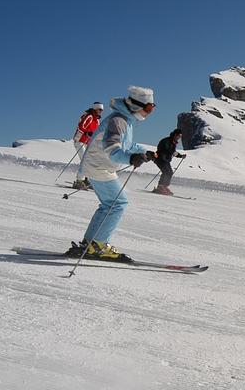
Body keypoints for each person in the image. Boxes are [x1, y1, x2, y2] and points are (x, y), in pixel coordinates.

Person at [66, 86, 156, 261]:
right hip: (99, 166)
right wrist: (131, 159)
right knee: (118, 203)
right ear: (136, 105)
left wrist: (145, 153)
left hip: (100, 166)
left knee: (109, 204)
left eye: (153, 108)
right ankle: (98, 245)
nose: (149, 113)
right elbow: (112, 149)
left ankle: (91, 243)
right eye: (148, 108)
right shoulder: (118, 120)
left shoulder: (126, 120)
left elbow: (128, 145)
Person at [71, 101, 104, 189]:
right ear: (95, 108)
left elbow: (97, 132)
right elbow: (81, 126)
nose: (101, 111)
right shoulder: (89, 116)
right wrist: (87, 133)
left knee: (91, 161)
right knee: (85, 160)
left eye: (102, 110)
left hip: (88, 143)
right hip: (80, 141)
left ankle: (87, 179)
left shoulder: (97, 120)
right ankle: (79, 181)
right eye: (99, 109)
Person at [151, 128, 187, 195]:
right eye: (179, 136)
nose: (179, 138)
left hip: (165, 160)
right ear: (175, 135)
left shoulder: (173, 142)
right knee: (166, 171)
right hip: (160, 159)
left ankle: (164, 186)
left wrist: (180, 156)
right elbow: (166, 149)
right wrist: (173, 152)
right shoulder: (166, 141)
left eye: (180, 137)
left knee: (170, 172)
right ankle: (160, 187)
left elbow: (173, 152)